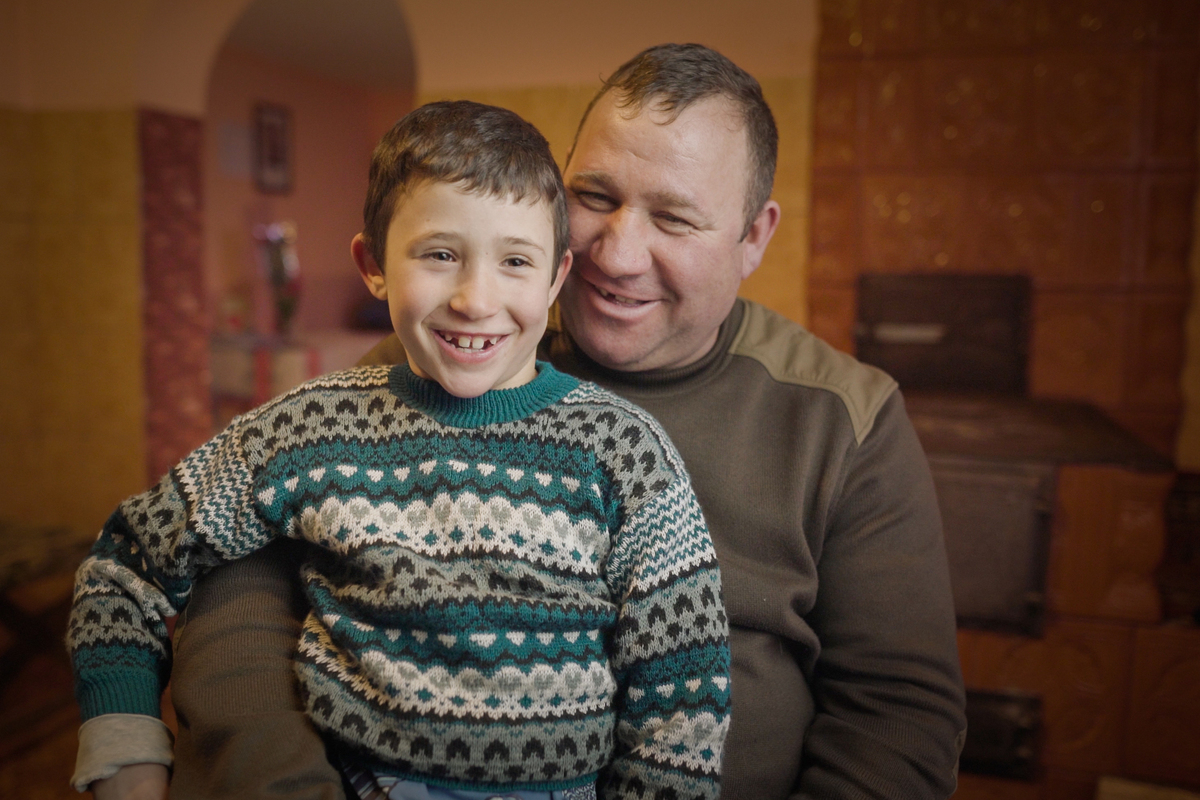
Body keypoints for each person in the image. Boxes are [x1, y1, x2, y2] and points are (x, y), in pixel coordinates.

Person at [99, 43, 968, 799]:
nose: (616, 254)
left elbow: (899, 716)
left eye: (675, 217)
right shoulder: (444, 355)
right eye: (594, 196)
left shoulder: (845, 418)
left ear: (753, 236)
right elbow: (240, 584)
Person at [67, 100, 731, 800]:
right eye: (440, 255)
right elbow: (127, 562)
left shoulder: (624, 451)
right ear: (373, 263)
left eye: (515, 260)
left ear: (556, 277)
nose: (477, 299)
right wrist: (125, 743)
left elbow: (682, 695)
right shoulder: (310, 431)